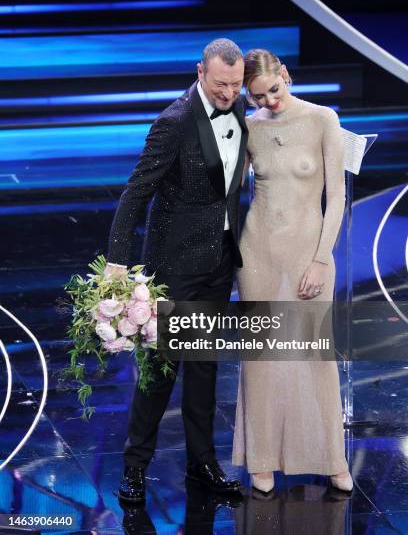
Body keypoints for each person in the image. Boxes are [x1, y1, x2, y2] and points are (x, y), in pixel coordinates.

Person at [105, 38, 248, 503]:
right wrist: (117, 263)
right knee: (159, 372)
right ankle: (135, 467)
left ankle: (202, 464)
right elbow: (135, 193)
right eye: (222, 84)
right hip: (174, 266)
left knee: (205, 369)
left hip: (219, 261)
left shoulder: (241, 107)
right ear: (200, 72)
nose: (230, 93)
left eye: (236, 83)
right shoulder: (174, 122)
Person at [232, 49, 353, 493]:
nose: (270, 103)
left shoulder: (323, 118)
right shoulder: (250, 125)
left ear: (285, 75)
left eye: (274, 91)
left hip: (308, 251)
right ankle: (262, 460)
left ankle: (331, 459)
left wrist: (322, 257)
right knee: (262, 359)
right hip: (258, 250)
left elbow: (336, 197)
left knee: (314, 356)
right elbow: (228, 186)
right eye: (259, 97)